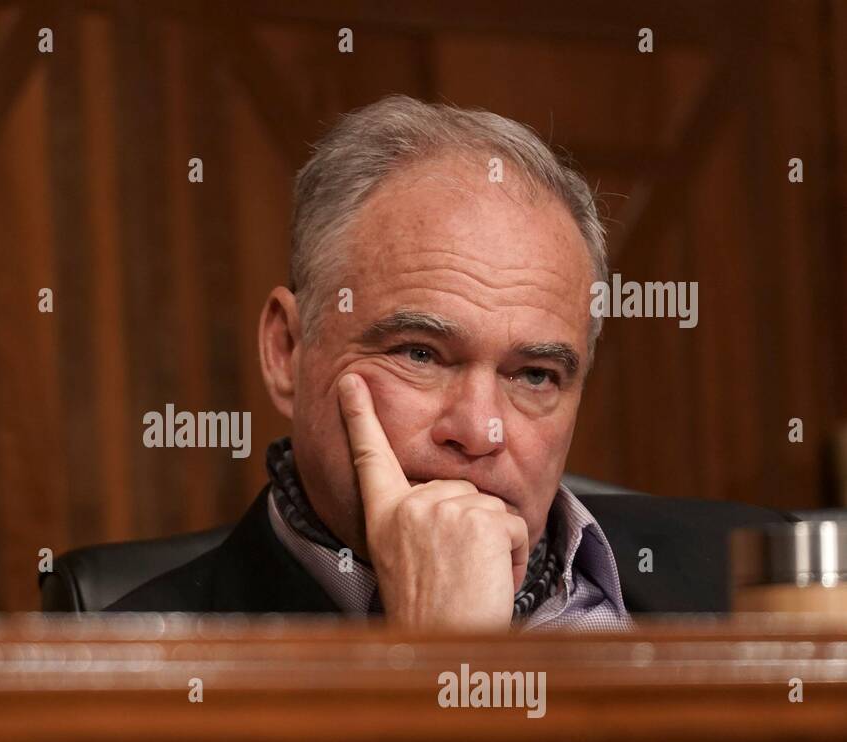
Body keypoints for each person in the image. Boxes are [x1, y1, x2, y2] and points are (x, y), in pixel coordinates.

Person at [108, 95, 790, 629]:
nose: (480, 430)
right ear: (287, 350)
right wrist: (445, 653)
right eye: (421, 354)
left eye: (534, 376)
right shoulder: (129, 665)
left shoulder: (761, 567)